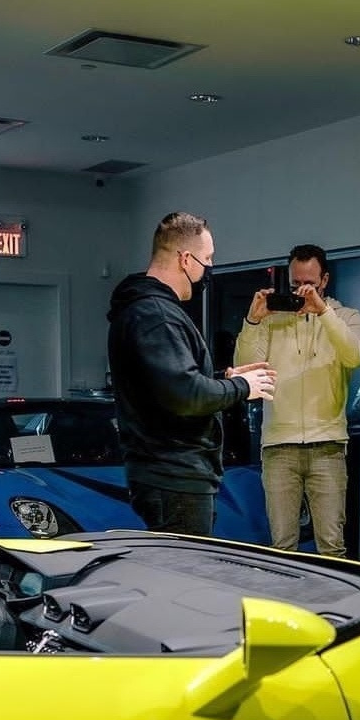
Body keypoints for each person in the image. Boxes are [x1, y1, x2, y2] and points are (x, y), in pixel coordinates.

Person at [107, 212, 275, 536]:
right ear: (186, 259)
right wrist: (241, 387)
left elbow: (167, 383)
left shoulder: (148, 311)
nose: (209, 268)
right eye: (207, 259)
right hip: (174, 475)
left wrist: (222, 378)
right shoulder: (156, 316)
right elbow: (185, 394)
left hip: (167, 473)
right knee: (182, 577)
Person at [234, 244, 360, 556]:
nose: (303, 290)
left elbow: (354, 356)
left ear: (325, 280)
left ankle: (335, 605)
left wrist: (322, 311)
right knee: (282, 547)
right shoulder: (272, 320)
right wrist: (253, 322)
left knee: (332, 546)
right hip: (279, 446)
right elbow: (244, 368)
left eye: (311, 283)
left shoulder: (347, 316)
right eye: (296, 284)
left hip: (328, 446)